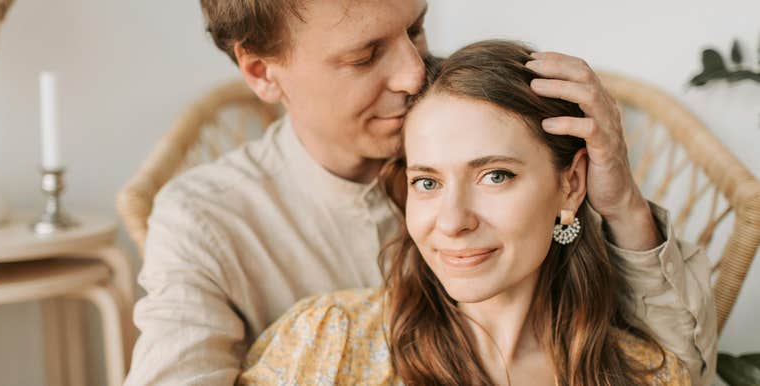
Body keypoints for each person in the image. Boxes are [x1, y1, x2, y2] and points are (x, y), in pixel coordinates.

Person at [124, 1, 715, 385]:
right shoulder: (206, 222)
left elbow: (678, 366)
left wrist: (622, 205)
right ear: (260, 72)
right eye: (365, 55)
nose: (414, 74)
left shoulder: (478, 119)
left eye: (416, 28)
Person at [240, 40, 693, 385]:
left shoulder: (643, 372)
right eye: (428, 182)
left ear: (570, 185)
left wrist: (625, 205)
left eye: (495, 176)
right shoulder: (327, 343)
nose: (453, 221)